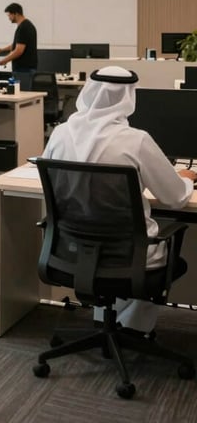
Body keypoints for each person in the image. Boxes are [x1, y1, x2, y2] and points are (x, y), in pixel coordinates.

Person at [42, 66, 196, 333]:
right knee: (153, 233)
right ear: (128, 97)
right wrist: (186, 177)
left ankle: (112, 324)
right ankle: (133, 331)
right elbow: (175, 198)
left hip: (72, 250)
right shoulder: (135, 141)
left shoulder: (60, 133)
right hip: (130, 258)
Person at [0, 2, 38, 72]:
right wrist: (2, 50)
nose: (9, 18)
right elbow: (16, 45)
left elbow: (18, 50)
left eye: (9, 15)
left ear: (16, 14)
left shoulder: (24, 27)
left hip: (24, 69)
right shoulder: (25, 26)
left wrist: (4, 60)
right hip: (24, 68)